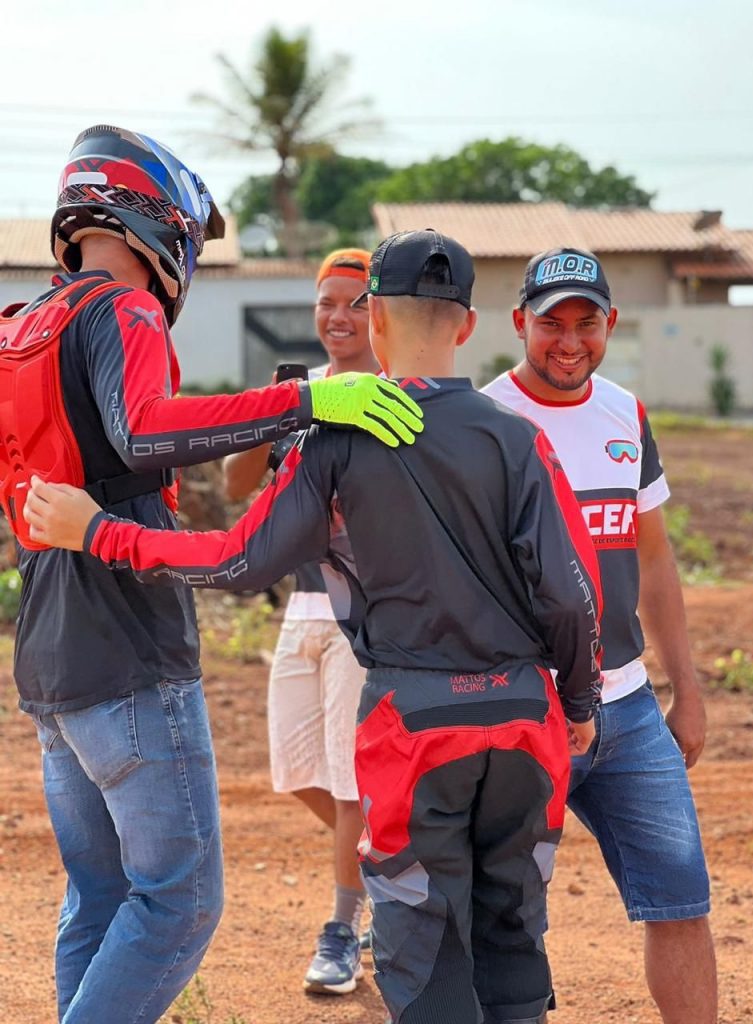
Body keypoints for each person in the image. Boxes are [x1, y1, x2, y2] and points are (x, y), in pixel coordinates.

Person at [25, 229, 603, 1024]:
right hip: (524, 719)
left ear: (374, 320)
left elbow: (237, 559)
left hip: (414, 722)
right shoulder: (520, 437)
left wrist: (100, 532)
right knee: (513, 934)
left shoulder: (336, 439)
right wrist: (579, 704)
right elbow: (572, 595)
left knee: (424, 951)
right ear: (468, 326)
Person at [1, 125, 422, 1024]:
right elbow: (146, 431)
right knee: (179, 902)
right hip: (126, 641)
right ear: (159, 221)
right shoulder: (123, 309)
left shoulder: (18, 324)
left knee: (102, 897)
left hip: (47, 649)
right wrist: (306, 397)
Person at [482, 247, 717, 1024]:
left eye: (588, 323)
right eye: (552, 323)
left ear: (611, 324)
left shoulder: (626, 412)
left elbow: (652, 554)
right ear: (521, 322)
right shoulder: (487, 422)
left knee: (681, 898)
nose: (570, 340)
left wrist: (686, 686)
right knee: (514, 918)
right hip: (527, 711)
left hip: (628, 706)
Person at [222, 249, 376, 996]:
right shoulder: (296, 392)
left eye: (354, 302)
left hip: (366, 615)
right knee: (294, 772)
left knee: (350, 784)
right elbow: (234, 486)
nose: (337, 317)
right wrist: (271, 413)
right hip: (301, 606)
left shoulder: (396, 394)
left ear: (380, 312)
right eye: (326, 303)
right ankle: (391, 867)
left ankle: (344, 929)